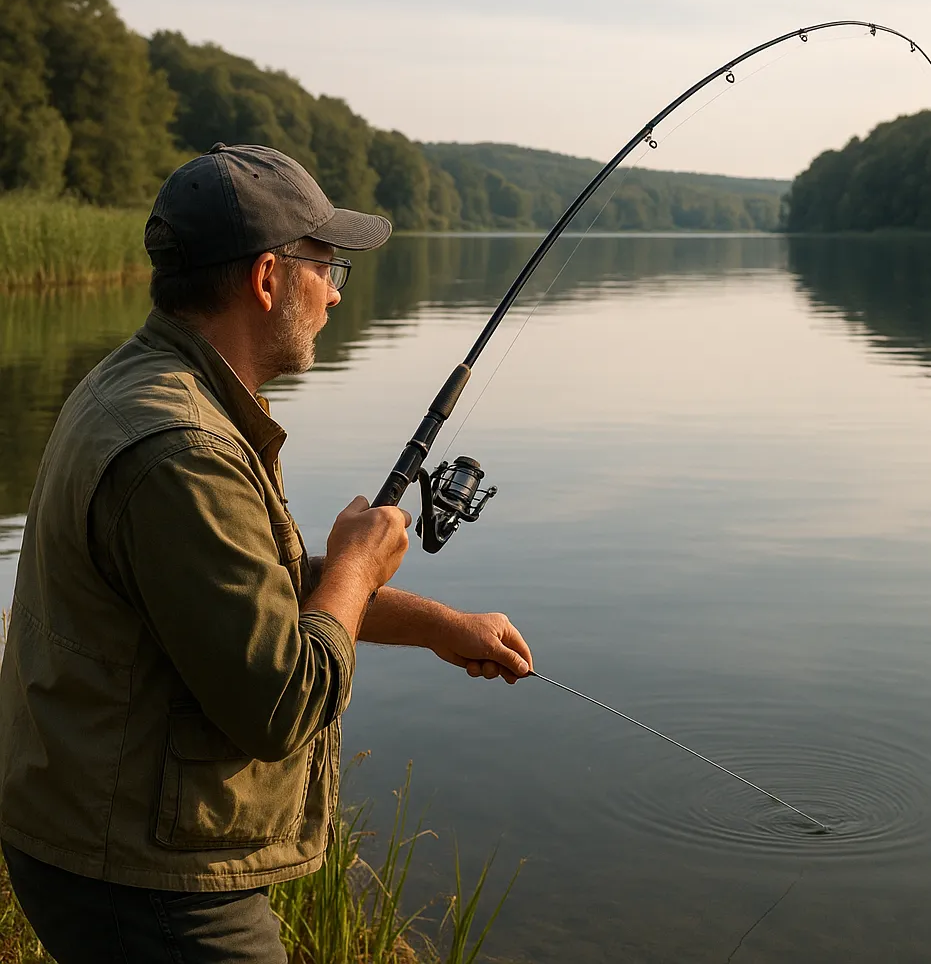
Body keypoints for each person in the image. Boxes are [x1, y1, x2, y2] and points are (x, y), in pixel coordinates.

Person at [0, 143, 533, 962]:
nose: (333, 295)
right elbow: (280, 703)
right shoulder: (182, 450)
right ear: (265, 278)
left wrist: (439, 625)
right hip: (144, 876)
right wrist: (357, 565)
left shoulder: (150, 387)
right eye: (328, 268)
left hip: (102, 836)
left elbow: (253, 598)